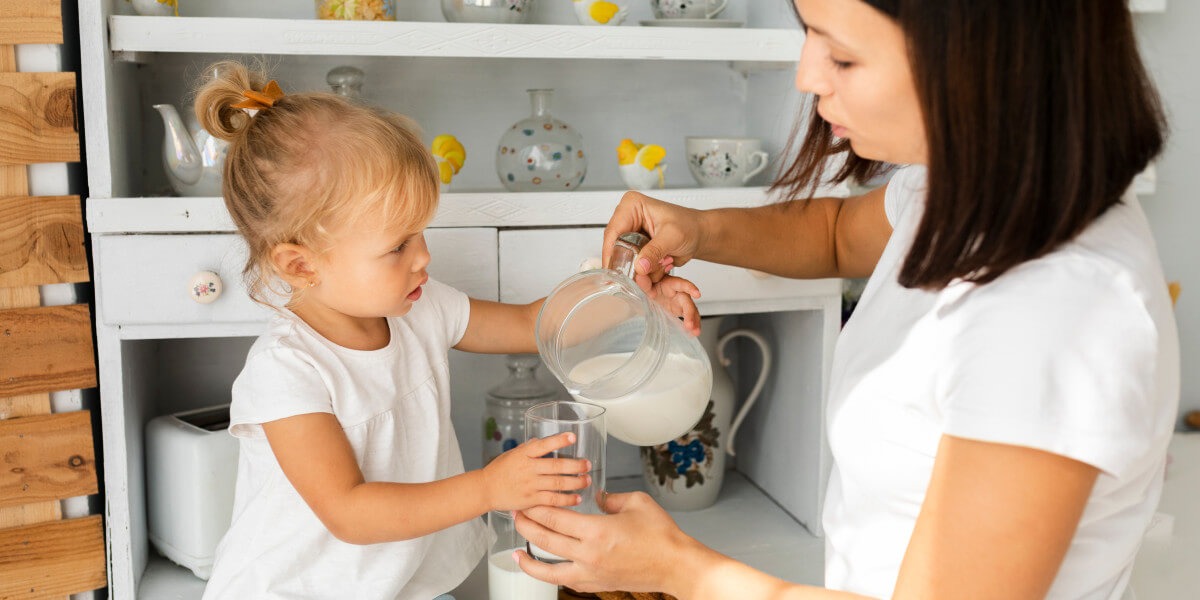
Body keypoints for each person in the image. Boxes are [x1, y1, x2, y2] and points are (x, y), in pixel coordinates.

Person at [513, 1, 1178, 599]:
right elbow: (835, 235)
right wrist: (699, 230)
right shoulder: (963, 190)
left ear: (976, 61)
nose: (808, 76)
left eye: (843, 55)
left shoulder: (1053, 312)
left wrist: (679, 570)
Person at [193, 61, 602, 599]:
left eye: (421, 234)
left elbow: (533, 325)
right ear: (300, 265)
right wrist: (487, 487)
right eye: (398, 246)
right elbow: (351, 512)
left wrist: (628, 294)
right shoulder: (286, 369)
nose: (424, 256)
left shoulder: (419, 307)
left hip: (399, 587)